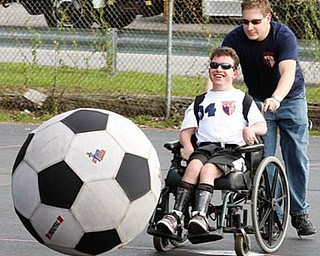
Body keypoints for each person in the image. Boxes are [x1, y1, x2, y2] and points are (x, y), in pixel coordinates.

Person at [206, 0, 316, 236]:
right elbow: (220, 69)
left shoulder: (283, 36)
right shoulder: (235, 38)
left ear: (268, 18)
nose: (250, 27)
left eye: (256, 21)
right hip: (257, 103)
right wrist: (208, 99)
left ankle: (299, 213)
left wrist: (276, 97)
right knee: (261, 160)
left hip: (290, 98)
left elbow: (288, 71)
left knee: (296, 156)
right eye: (245, 22)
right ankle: (271, 216)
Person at [156, 46, 267, 236]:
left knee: (207, 170)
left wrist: (250, 129)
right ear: (209, 70)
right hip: (205, 147)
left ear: (235, 72)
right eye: (215, 65)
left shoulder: (243, 99)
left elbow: (262, 126)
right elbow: (186, 131)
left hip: (232, 151)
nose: (219, 70)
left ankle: (200, 215)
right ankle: (176, 215)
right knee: (192, 167)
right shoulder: (200, 101)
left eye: (225, 66)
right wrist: (188, 146)